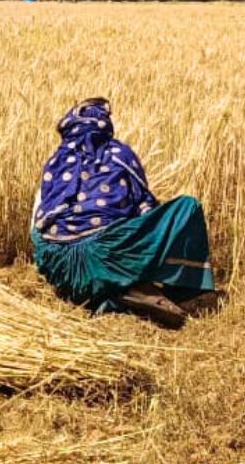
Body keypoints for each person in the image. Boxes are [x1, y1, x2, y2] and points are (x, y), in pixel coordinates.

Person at [29, 98, 215, 328]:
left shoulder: (55, 162)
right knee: (188, 206)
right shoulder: (119, 154)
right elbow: (145, 209)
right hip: (107, 258)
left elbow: (38, 225)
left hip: (60, 271)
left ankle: (107, 292)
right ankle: (175, 291)